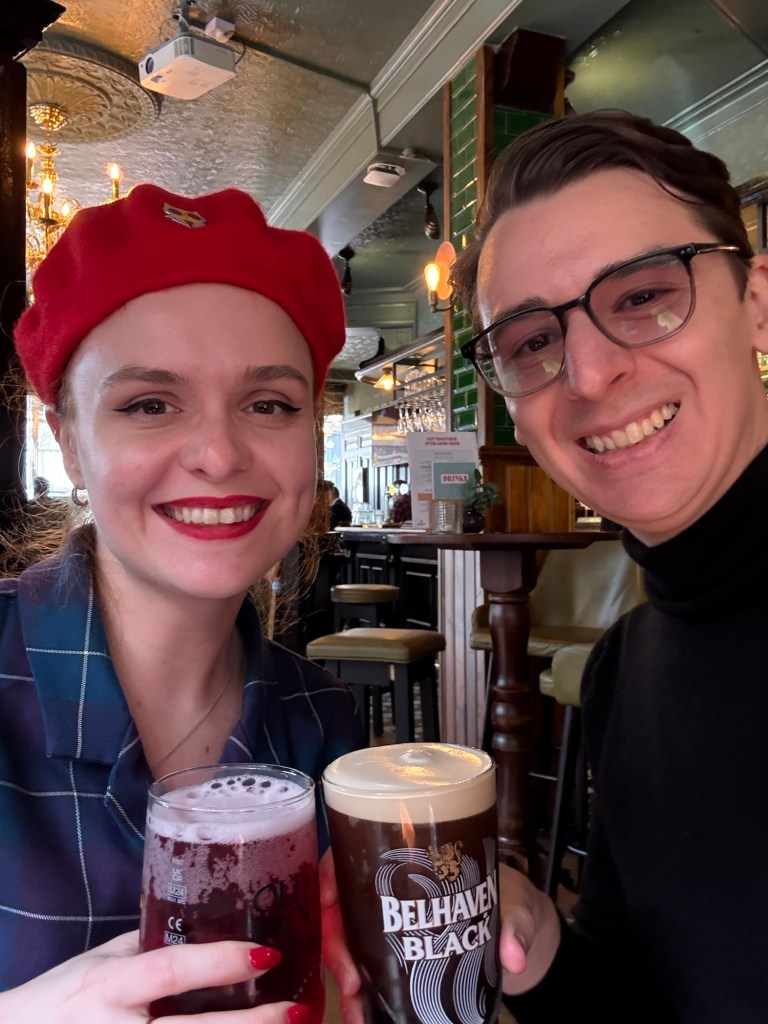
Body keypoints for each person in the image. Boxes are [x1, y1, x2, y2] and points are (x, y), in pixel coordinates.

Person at [2, 183, 363, 1020]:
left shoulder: (322, 718)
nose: (217, 453)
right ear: (70, 444)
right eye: (149, 404)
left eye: (269, 404)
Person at [447, 109, 768, 1022]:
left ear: (758, 304)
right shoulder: (630, 666)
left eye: (639, 295)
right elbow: (636, 988)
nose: (585, 374)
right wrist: (538, 949)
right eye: (531, 342)